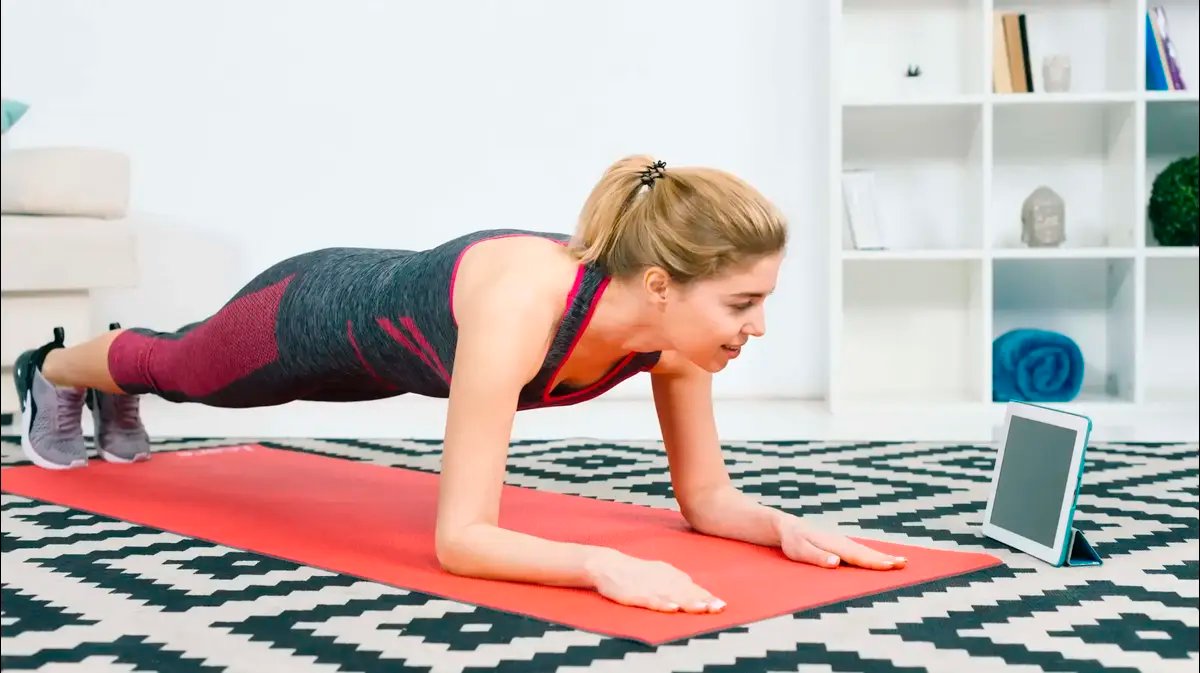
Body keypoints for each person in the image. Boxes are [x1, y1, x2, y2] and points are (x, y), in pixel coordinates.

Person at [13, 154, 906, 615]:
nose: (758, 327)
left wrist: (781, 528)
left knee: (185, 374)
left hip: (401, 359)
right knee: (185, 369)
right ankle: (51, 369)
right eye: (742, 303)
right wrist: (601, 564)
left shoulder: (672, 342)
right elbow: (463, 538)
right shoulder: (524, 305)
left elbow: (706, 499)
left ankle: (105, 385)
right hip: (317, 310)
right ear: (662, 283)